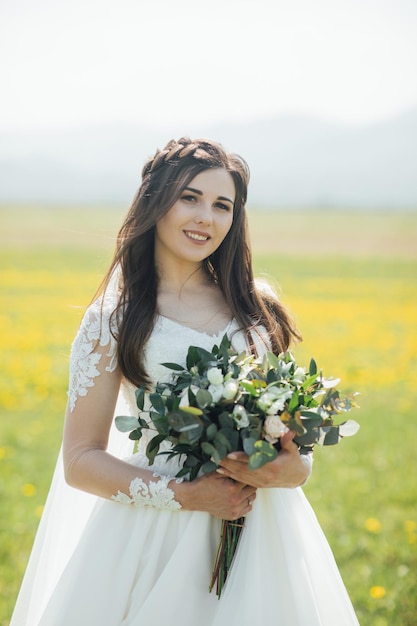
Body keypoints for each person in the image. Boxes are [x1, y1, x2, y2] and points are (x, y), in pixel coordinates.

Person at [11, 137, 359, 625]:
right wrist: (187, 496)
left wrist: (291, 469)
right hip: (156, 534)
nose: (206, 218)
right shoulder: (113, 319)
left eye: (223, 206)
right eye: (190, 198)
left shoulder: (256, 309)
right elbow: (80, 460)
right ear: (156, 202)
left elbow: (294, 444)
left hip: (264, 529)